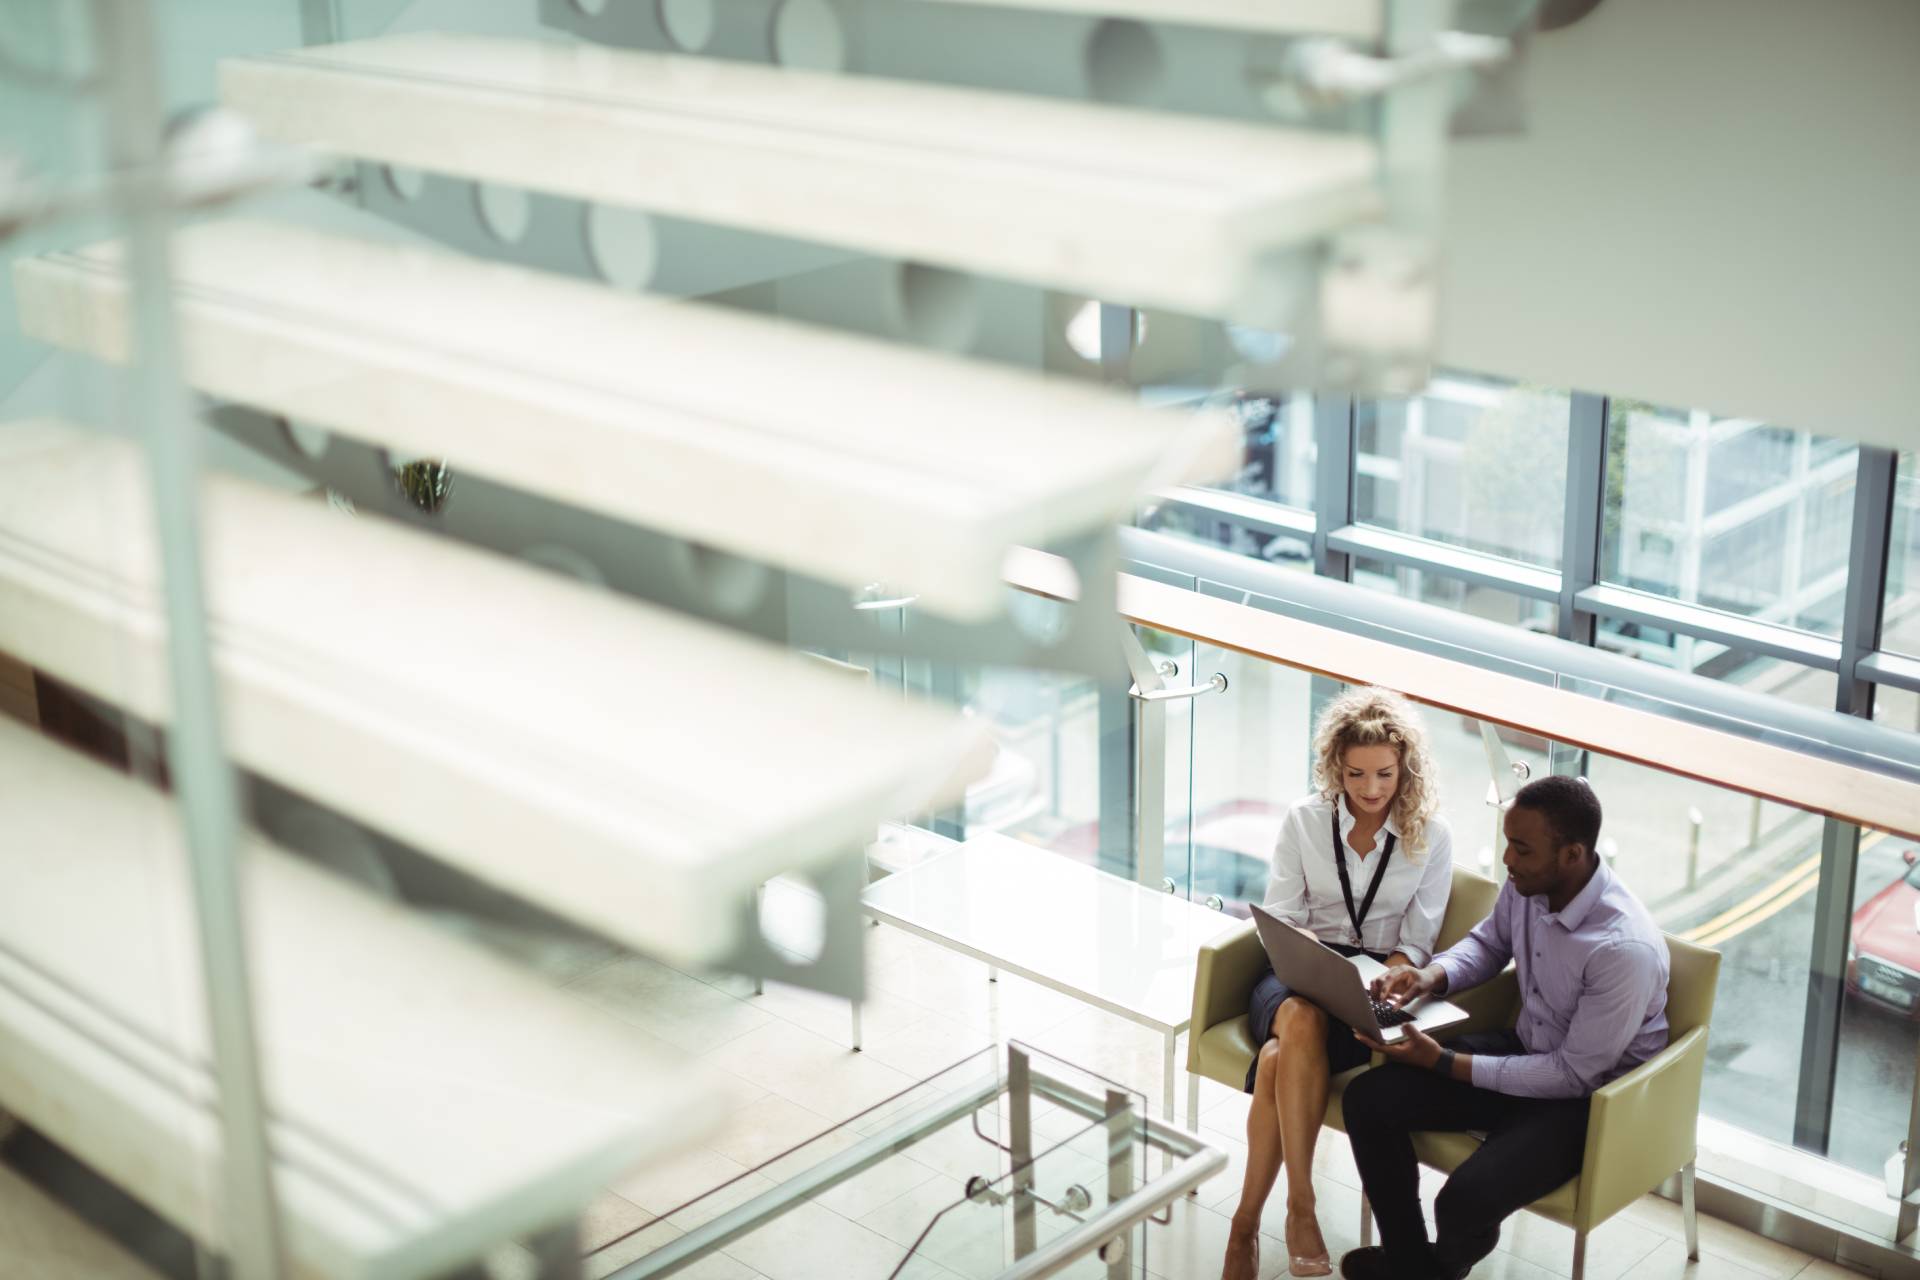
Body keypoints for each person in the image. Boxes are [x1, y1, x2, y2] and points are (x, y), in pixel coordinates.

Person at [1337, 775, 1671, 1280]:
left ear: (1572, 854)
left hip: (1587, 1102)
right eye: (1507, 844)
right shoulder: (1531, 886)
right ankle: (1410, 1265)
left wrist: (1446, 1063)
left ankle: (1436, 1269)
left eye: (1521, 849)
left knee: (1464, 1202)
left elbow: (1572, 1075)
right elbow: (1491, 943)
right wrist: (1431, 974)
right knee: (1368, 1099)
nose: (1507, 861)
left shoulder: (1622, 950)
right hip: (1526, 1049)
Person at [1222, 687, 1454, 1280]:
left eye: (1383, 774)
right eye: (1355, 774)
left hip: (1372, 983)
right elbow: (1281, 915)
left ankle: (1246, 1224)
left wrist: (1393, 971)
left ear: (1405, 769)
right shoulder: (1305, 820)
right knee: (1298, 1015)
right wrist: (1319, 963)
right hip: (1295, 971)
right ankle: (1302, 1206)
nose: (1371, 789)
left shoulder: (1431, 835)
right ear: (1335, 766)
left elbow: (1419, 939)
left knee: (1279, 1059)